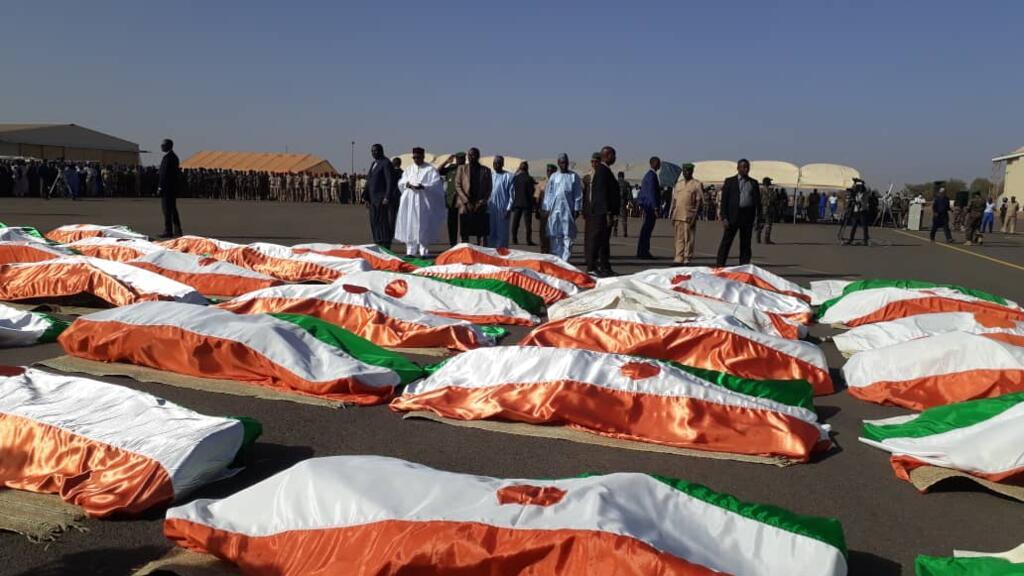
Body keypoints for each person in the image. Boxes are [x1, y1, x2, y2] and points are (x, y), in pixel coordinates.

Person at [395, 147, 445, 257]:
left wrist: (424, 187)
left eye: (418, 157)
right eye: (414, 157)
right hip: (410, 202)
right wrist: (407, 184)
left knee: (423, 225)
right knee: (410, 225)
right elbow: (401, 182)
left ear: (423, 156)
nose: (416, 159)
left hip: (424, 202)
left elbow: (436, 185)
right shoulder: (409, 169)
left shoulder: (430, 170)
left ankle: (423, 252)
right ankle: (410, 251)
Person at [715, 159, 761, 266]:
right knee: (726, 242)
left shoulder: (753, 183)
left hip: (747, 216)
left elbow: (758, 202)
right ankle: (720, 265)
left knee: (745, 243)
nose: (746, 169)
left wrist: (759, 218)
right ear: (738, 168)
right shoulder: (730, 181)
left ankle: (744, 266)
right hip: (732, 216)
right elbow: (724, 201)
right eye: (743, 167)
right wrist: (724, 217)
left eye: (747, 167)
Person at [585, 146, 620, 276]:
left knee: (604, 241)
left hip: (604, 213)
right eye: (614, 155)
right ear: (608, 155)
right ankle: (591, 267)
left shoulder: (605, 170)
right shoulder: (602, 171)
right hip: (601, 213)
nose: (615, 158)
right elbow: (601, 194)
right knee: (597, 240)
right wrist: (607, 213)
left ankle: (605, 267)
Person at [542, 154, 582, 261]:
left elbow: (578, 193)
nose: (564, 165)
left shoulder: (574, 176)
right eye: (562, 162)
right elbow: (549, 193)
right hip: (554, 209)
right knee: (555, 233)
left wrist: (577, 208)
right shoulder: (554, 176)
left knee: (567, 234)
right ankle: (556, 257)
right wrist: (546, 207)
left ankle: (565, 259)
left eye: (566, 162)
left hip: (568, 209)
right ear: (558, 163)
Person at [362, 143, 398, 250]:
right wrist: (366, 198)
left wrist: (387, 196)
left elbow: (390, 181)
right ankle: (378, 242)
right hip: (373, 200)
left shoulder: (386, 163)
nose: (374, 153)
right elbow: (369, 182)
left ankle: (386, 245)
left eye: (376, 150)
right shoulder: (374, 163)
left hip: (382, 199)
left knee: (383, 223)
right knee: (375, 222)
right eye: (372, 151)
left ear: (381, 151)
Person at [455, 148, 492, 244]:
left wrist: (481, 202)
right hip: (465, 205)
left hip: (480, 205)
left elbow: (489, 188)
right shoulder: (462, 169)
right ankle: (464, 249)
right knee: (464, 232)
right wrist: (466, 202)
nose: (471, 157)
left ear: (478, 156)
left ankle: (481, 250)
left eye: (473, 155)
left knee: (481, 232)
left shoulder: (486, 170)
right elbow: (458, 185)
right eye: (469, 155)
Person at [669, 162, 702, 264]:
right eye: (684, 171)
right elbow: (674, 200)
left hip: (689, 215)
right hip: (678, 214)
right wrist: (671, 213)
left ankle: (687, 258)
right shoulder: (678, 184)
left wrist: (695, 216)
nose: (686, 173)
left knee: (689, 238)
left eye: (688, 171)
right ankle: (678, 257)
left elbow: (699, 201)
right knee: (679, 238)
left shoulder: (696, 184)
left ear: (691, 171)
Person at [437, 152, 466, 245]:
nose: (460, 161)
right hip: (451, 200)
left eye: (462, 159)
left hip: (463, 200)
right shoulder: (451, 168)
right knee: (452, 223)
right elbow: (438, 171)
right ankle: (452, 244)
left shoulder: (467, 168)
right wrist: (446, 162)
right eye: (459, 159)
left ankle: (463, 243)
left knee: (463, 223)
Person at [487, 156, 515, 248]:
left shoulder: (508, 176)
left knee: (502, 232)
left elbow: (512, 195)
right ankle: (491, 252)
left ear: (502, 164)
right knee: (491, 231)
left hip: (503, 209)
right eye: (495, 163)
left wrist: (508, 209)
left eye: (499, 163)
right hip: (491, 208)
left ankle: (502, 253)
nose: (497, 165)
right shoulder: (490, 176)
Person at [635, 156, 660, 259]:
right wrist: (655, 207)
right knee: (647, 229)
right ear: (655, 163)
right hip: (649, 206)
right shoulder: (651, 176)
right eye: (658, 163)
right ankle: (643, 251)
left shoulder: (649, 175)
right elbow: (651, 192)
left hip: (647, 205)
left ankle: (642, 251)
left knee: (646, 229)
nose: (659, 165)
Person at [158, 139, 183, 238]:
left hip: (167, 188)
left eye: (163, 145)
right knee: (172, 210)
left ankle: (168, 230)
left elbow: (164, 174)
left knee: (167, 210)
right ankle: (177, 230)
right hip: (171, 188)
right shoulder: (174, 157)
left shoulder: (168, 158)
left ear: (168, 146)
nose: (161, 146)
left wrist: (160, 186)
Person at [509, 161, 536, 245]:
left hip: (517, 203)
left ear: (520, 168)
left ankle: (514, 239)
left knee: (515, 222)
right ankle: (528, 240)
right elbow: (532, 192)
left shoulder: (516, 178)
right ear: (527, 168)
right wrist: (533, 204)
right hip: (527, 203)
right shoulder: (529, 178)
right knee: (528, 223)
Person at [536, 164, 555, 253]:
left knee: (553, 231)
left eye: (551, 171)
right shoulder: (542, 182)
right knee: (543, 231)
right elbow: (537, 197)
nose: (549, 173)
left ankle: (552, 249)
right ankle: (543, 249)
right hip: (543, 210)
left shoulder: (558, 182)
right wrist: (537, 210)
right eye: (548, 170)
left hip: (554, 211)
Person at [756, 177, 776, 244]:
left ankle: (758, 238)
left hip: (762, 209)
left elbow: (758, 200)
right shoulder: (771, 191)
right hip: (768, 209)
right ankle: (766, 239)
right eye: (769, 181)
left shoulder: (760, 190)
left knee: (761, 223)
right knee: (768, 224)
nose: (771, 183)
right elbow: (774, 199)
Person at [614, 171, 630, 237]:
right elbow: (629, 194)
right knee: (624, 218)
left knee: (616, 217)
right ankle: (625, 232)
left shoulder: (614, 182)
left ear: (618, 176)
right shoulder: (626, 183)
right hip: (623, 202)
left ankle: (615, 231)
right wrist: (629, 201)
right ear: (623, 176)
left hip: (615, 202)